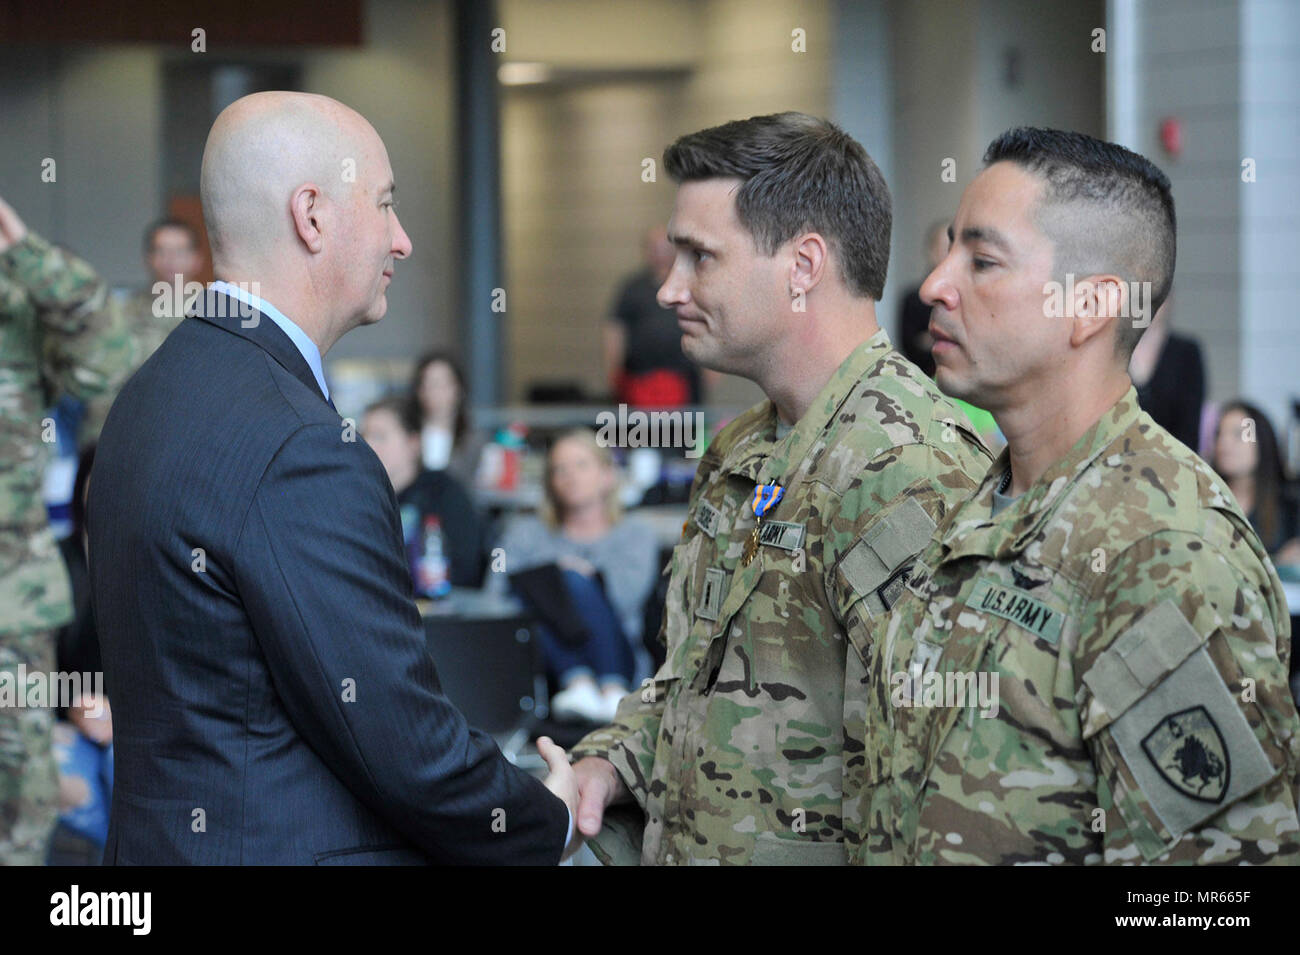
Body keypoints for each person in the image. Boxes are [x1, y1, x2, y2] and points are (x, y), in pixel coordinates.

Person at [87, 91, 577, 865]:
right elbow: (406, 748)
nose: (403, 239)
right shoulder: (303, 446)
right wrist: (544, 817)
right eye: (384, 204)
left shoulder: (145, 399)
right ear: (311, 216)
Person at [851, 127, 1300, 865]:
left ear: (1089, 307)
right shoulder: (979, 505)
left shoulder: (1166, 553)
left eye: (982, 260)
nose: (935, 284)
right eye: (949, 250)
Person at [567, 112, 993, 865]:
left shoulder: (907, 467)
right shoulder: (742, 449)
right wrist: (608, 762)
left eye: (700, 257)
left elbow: (941, 790)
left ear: (803, 266)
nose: (670, 289)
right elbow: (689, 685)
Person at [0, 194, 132, 865]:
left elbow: (108, 354)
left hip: (10, 609)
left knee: (22, 811)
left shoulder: (18, 299)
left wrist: (25, 249)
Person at [492, 429, 660, 723]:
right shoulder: (522, 532)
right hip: (543, 665)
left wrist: (581, 578)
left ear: (607, 475)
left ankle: (610, 685)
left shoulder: (637, 533)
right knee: (535, 587)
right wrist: (550, 578)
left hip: (620, 652)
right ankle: (579, 682)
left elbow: (627, 598)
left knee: (568, 580)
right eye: (560, 469)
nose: (570, 476)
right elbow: (496, 583)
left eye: (581, 465)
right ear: (550, 483)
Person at [78, 218, 204, 444]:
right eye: (161, 251)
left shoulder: (216, 313)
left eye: (179, 251)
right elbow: (104, 381)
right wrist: (94, 451)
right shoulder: (122, 313)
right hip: (132, 437)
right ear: (149, 258)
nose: (170, 260)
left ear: (197, 259)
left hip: (192, 439)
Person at [360, 395, 488, 590]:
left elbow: (466, 568)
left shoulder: (444, 493)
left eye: (380, 436)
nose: (368, 445)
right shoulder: (358, 496)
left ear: (413, 443)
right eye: (364, 437)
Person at [603, 225, 703, 406]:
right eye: (654, 248)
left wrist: (710, 375)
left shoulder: (692, 282)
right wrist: (614, 372)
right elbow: (615, 330)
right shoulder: (632, 288)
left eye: (664, 248)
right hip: (640, 381)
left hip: (684, 381)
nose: (660, 254)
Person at [1209, 400, 1300, 564]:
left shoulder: (1290, 506)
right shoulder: (1205, 498)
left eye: (1238, 434)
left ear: (1262, 441)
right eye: (1219, 434)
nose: (1224, 443)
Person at [1129, 295, 1206, 453]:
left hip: (1173, 460)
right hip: (1121, 460)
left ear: (1169, 302)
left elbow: (1190, 422)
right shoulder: (1115, 349)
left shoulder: (1186, 352)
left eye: (1156, 298)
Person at [410, 350, 488, 490]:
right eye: (427, 384)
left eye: (440, 384)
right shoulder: (408, 436)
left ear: (458, 388)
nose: (433, 391)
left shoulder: (474, 441)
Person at [896, 218, 948, 378]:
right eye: (944, 247)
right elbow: (910, 345)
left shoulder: (966, 298)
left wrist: (929, 339)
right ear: (931, 250)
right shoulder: (913, 298)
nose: (948, 254)